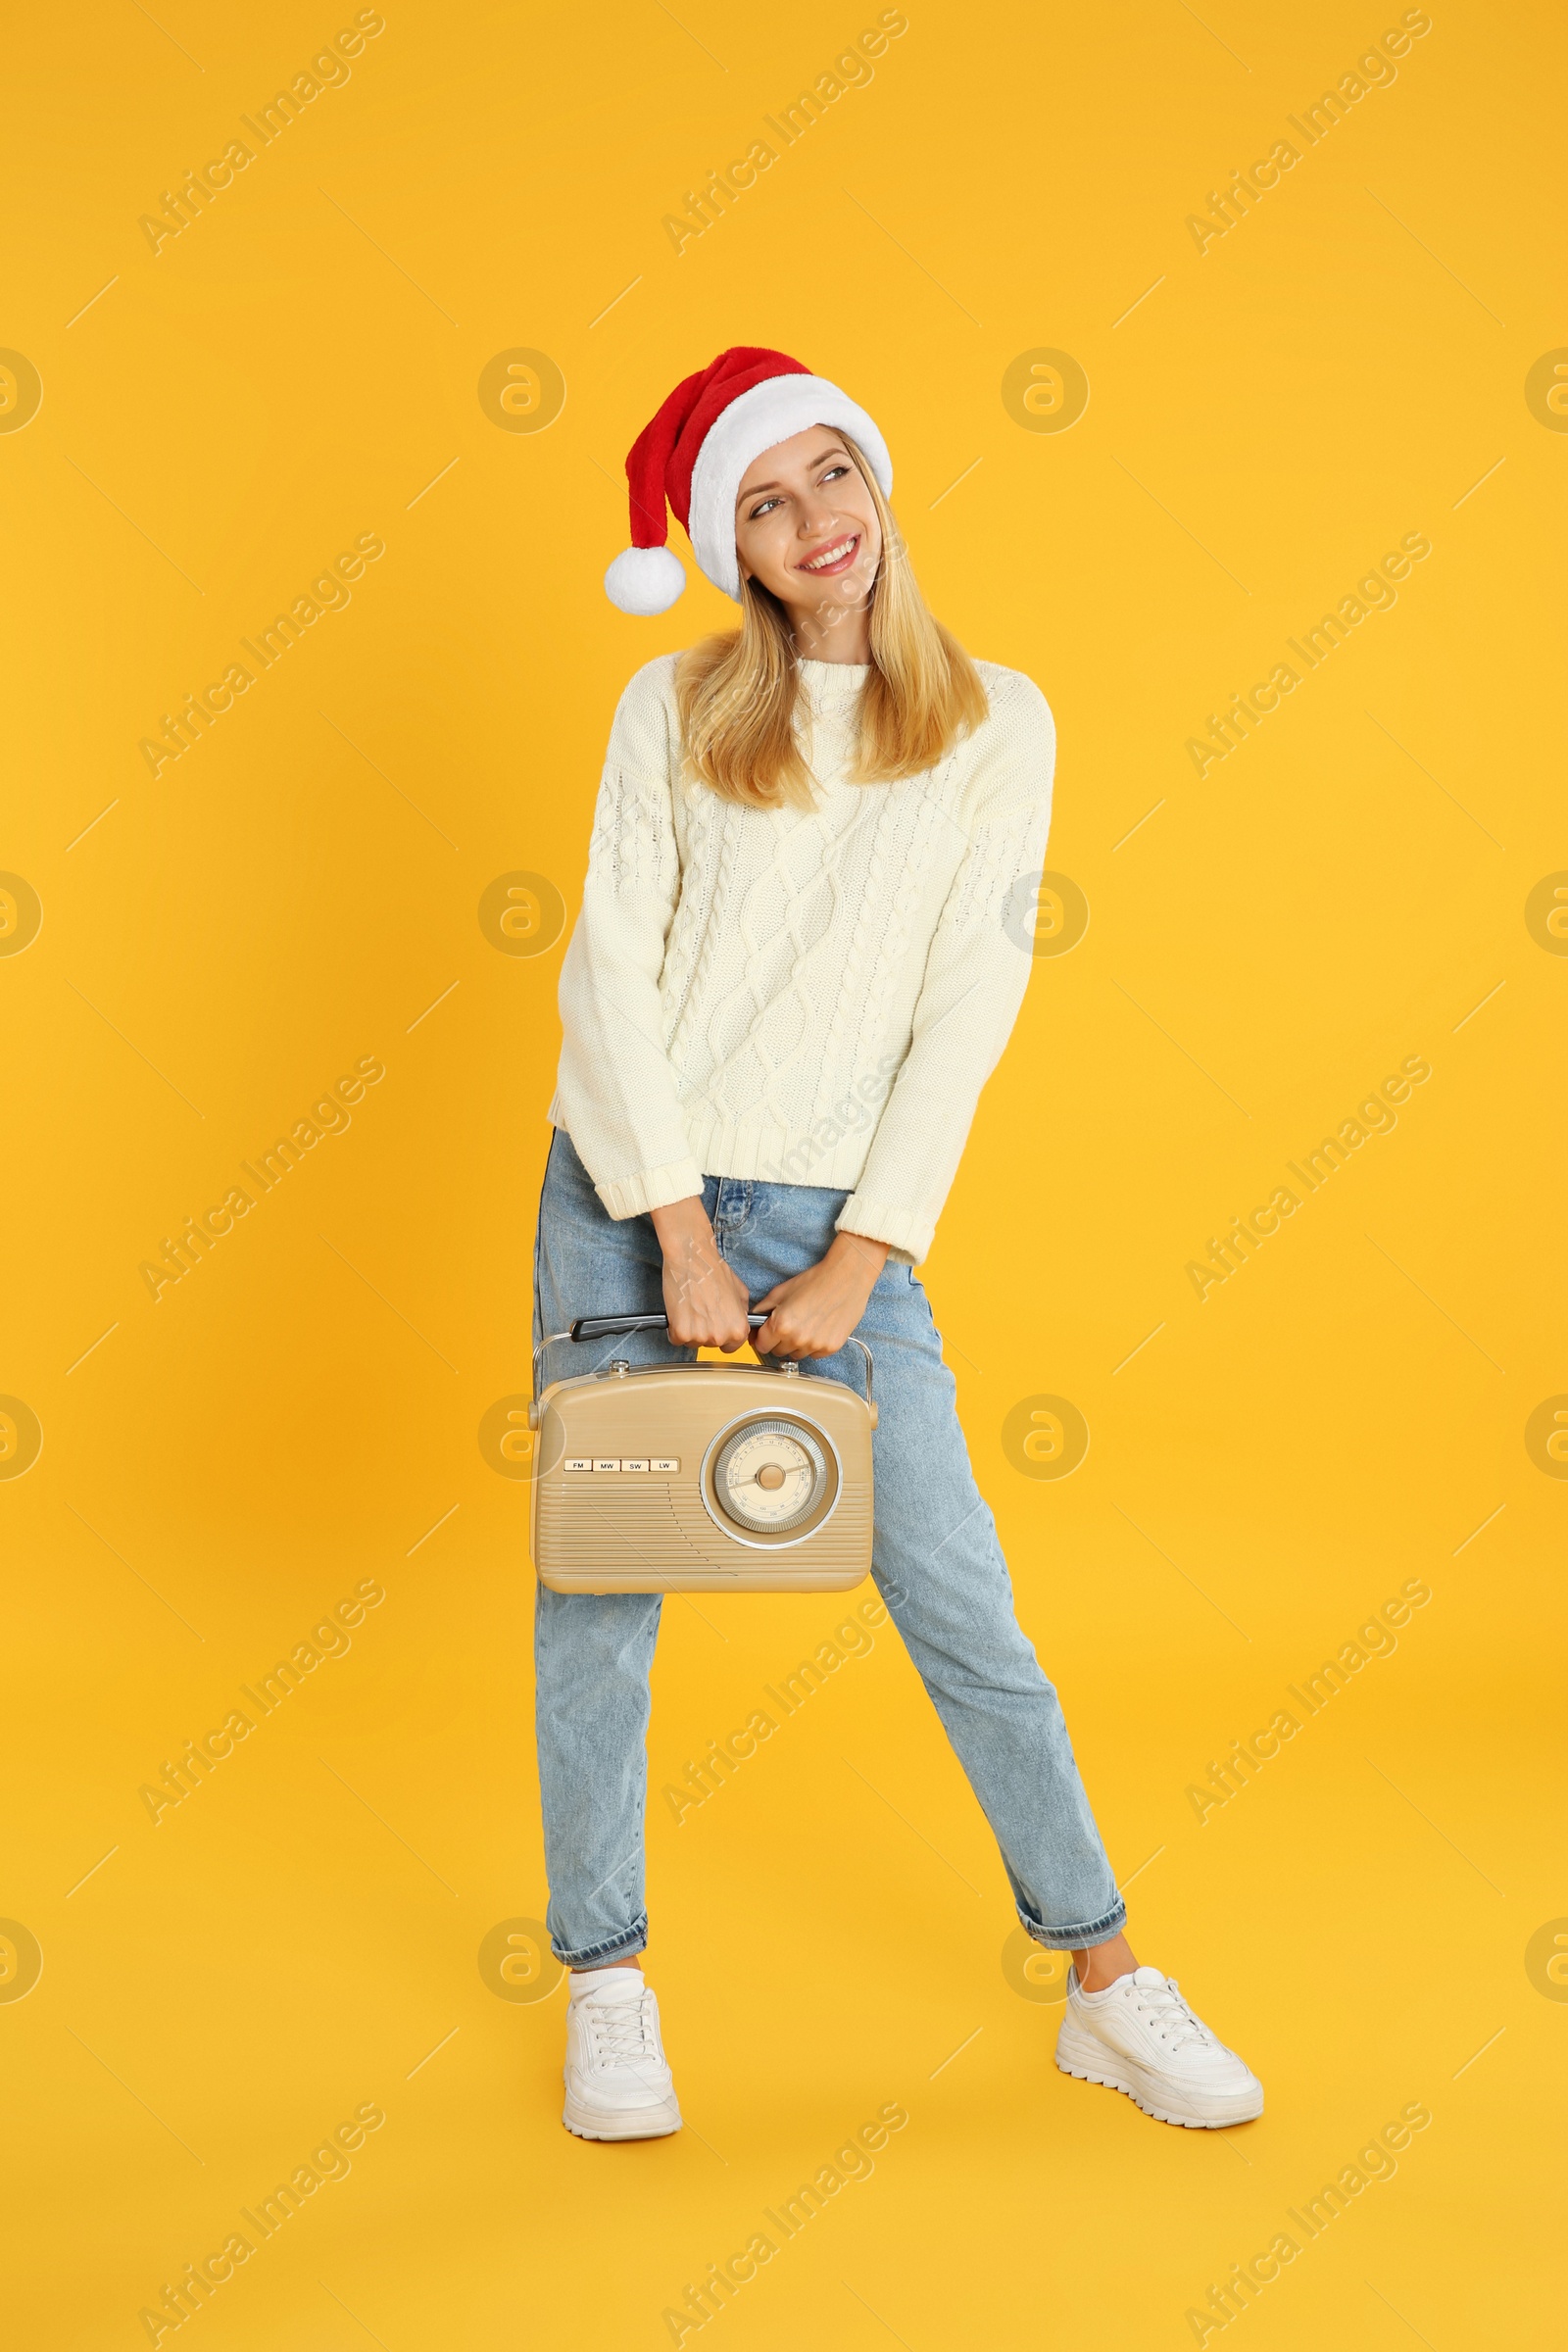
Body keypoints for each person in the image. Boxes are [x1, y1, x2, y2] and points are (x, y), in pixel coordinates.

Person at [534, 347, 1261, 2141]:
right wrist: (681, 1239)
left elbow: (969, 1003)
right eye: (765, 506)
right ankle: (608, 1982)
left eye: (830, 476)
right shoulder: (673, 708)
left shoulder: (999, 721)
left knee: (961, 1602)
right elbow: (609, 976)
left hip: (848, 1224)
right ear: (736, 548)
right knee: (600, 1606)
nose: (816, 524)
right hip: (639, 1197)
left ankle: (1102, 1977)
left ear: (877, 477)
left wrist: (861, 1258)